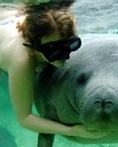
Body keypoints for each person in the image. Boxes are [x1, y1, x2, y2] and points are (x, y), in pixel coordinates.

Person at [0, 1, 106, 138]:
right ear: (33, 47)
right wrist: (71, 130)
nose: (65, 56)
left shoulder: (54, 33)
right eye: (54, 51)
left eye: (71, 45)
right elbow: (25, 119)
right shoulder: (22, 60)